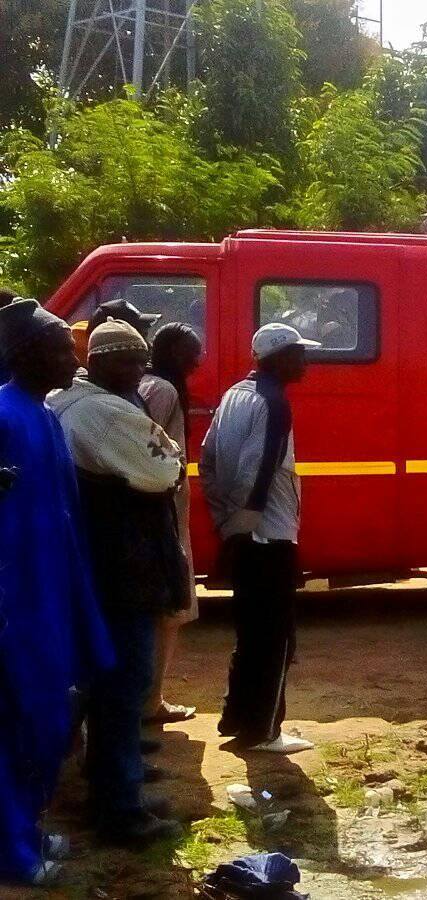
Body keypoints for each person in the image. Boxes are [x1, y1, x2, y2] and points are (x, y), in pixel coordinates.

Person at [49, 321, 187, 846]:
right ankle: (121, 807)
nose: (136, 372)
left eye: (139, 361)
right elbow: (164, 470)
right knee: (123, 684)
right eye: (126, 362)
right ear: (101, 362)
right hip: (123, 566)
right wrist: (164, 466)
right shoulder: (104, 412)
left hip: (91, 565)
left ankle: (107, 785)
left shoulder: (65, 404)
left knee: (100, 684)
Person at [0, 300, 114, 886]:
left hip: (54, 596)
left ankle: (27, 829)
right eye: (61, 347)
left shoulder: (43, 416)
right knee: (18, 721)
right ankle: (12, 850)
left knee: (51, 720)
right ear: (24, 354)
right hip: (14, 604)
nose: (75, 357)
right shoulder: (2, 415)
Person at [201, 323, 321, 752]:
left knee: (250, 630)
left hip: (243, 530)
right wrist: (245, 524)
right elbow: (259, 469)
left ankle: (237, 718)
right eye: (298, 354)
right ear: (277, 357)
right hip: (268, 534)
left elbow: (208, 458)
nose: (305, 362)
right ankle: (265, 730)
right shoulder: (274, 403)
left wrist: (224, 521)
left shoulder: (235, 394)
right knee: (276, 635)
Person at [139, 323, 204, 726]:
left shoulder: (148, 384)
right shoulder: (163, 391)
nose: (198, 361)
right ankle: (152, 702)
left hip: (158, 509)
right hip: (164, 510)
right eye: (192, 353)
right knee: (168, 609)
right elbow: (152, 447)